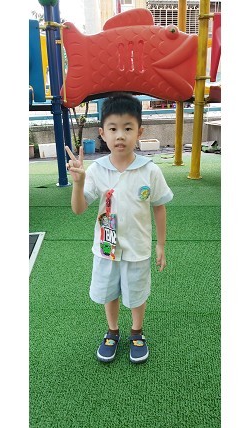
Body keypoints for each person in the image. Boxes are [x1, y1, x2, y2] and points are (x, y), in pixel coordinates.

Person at [64, 93, 173, 364]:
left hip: (137, 248)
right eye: (113, 129)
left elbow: (159, 206)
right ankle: (112, 331)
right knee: (108, 292)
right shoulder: (97, 170)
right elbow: (78, 209)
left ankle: (136, 332)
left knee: (136, 294)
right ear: (102, 133)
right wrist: (78, 183)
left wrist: (160, 244)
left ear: (140, 132)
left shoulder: (150, 170)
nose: (120, 135)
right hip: (106, 248)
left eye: (127, 128)